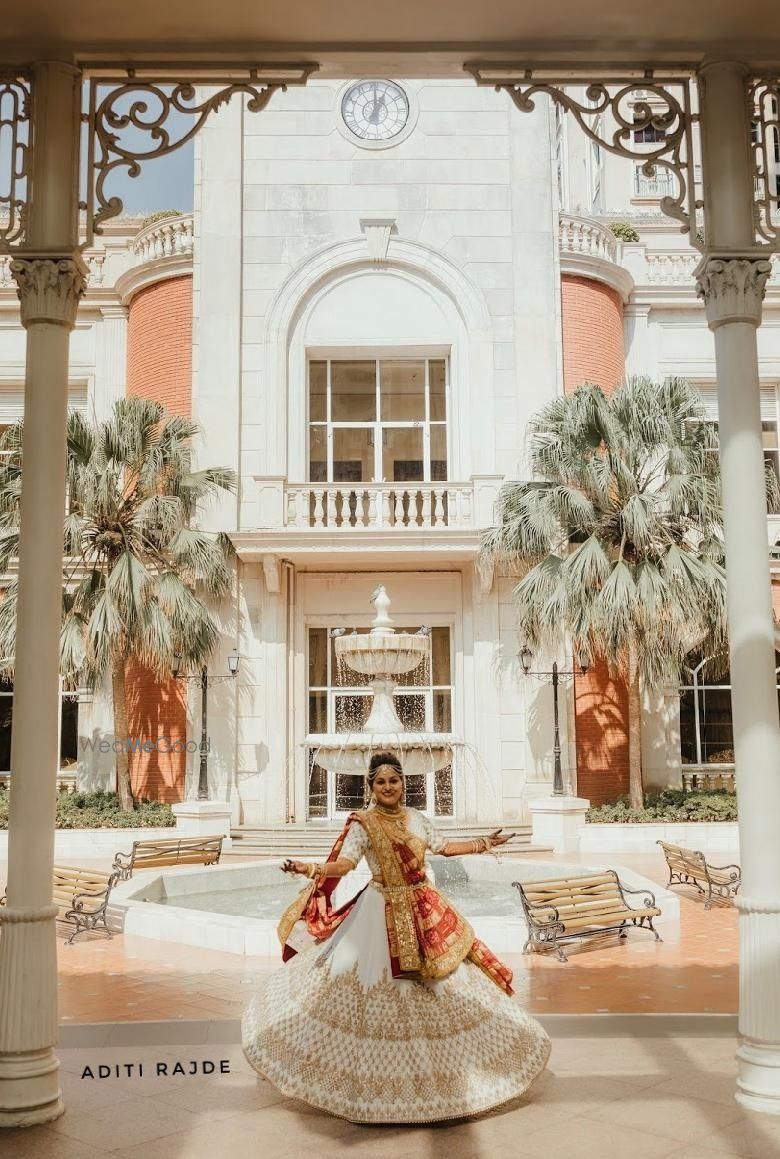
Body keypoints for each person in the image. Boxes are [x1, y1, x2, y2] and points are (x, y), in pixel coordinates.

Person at [242, 752, 551, 1123]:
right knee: (351, 987)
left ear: (404, 784)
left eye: (394, 780)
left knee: (448, 988)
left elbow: (445, 848)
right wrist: (311, 868)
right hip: (379, 912)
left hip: (424, 909)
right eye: (380, 782)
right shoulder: (364, 823)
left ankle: (449, 1079)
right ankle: (364, 1087)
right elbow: (346, 863)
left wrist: (483, 843)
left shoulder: (418, 819)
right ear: (371, 788)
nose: (388, 787)